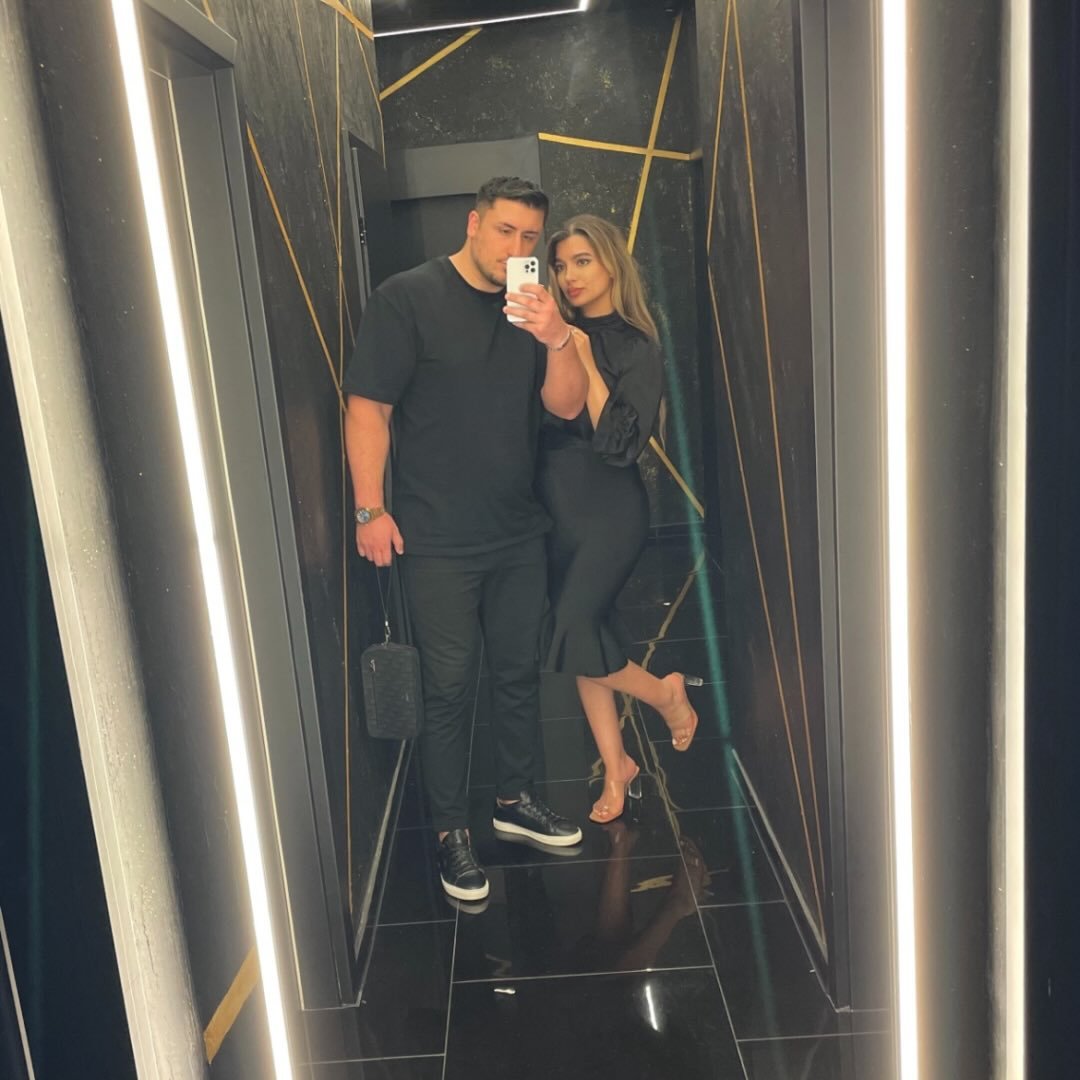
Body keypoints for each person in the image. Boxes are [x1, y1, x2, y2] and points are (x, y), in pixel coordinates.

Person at [342, 178, 589, 903]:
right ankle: (452, 831)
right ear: (474, 224)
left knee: (518, 674)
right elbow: (368, 408)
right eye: (505, 231)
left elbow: (566, 405)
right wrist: (369, 510)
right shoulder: (406, 298)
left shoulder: (535, 309)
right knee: (449, 688)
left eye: (529, 238)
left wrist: (557, 337)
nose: (517, 248)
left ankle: (515, 800)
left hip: (517, 529)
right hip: (436, 538)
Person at [539, 214, 701, 824]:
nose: (570, 276)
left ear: (611, 263)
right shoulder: (549, 334)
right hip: (554, 510)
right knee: (590, 636)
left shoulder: (637, 346)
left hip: (608, 509)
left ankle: (665, 694)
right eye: (560, 265)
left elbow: (618, 445)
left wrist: (578, 352)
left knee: (572, 627)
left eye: (582, 261)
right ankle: (617, 766)